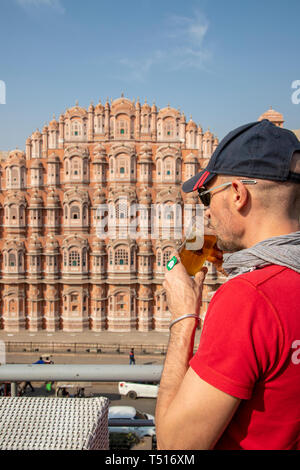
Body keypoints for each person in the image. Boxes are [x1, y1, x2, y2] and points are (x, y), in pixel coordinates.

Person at [155, 119, 300, 450]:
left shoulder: (248, 300)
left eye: (206, 197)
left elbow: (175, 448)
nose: (206, 214)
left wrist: (183, 318)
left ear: (238, 194)